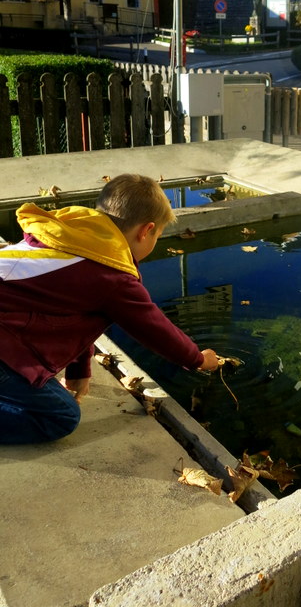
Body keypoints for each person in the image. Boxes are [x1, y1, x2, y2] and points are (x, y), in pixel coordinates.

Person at [0, 173, 220, 445]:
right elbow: (154, 328)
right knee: (60, 416)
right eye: (158, 236)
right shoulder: (112, 276)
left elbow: (79, 316)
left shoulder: (71, 237)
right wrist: (198, 359)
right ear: (146, 231)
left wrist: (79, 371)